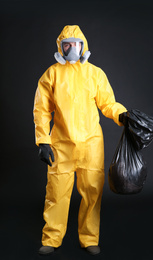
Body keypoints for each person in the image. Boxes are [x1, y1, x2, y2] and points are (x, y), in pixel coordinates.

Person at [33, 25, 127, 255]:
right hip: (61, 145)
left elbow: (108, 103)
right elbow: (42, 110)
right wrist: (43, 141)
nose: (72, 49)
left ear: (83, 46)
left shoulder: (95, 73)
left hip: (91, 145)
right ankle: (51, 239)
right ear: (60, 48)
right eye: (67, 45)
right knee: (56, 193)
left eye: (76, 44)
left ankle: (89, 238)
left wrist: (122, 115)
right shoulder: (51, 74)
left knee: (93, 193)